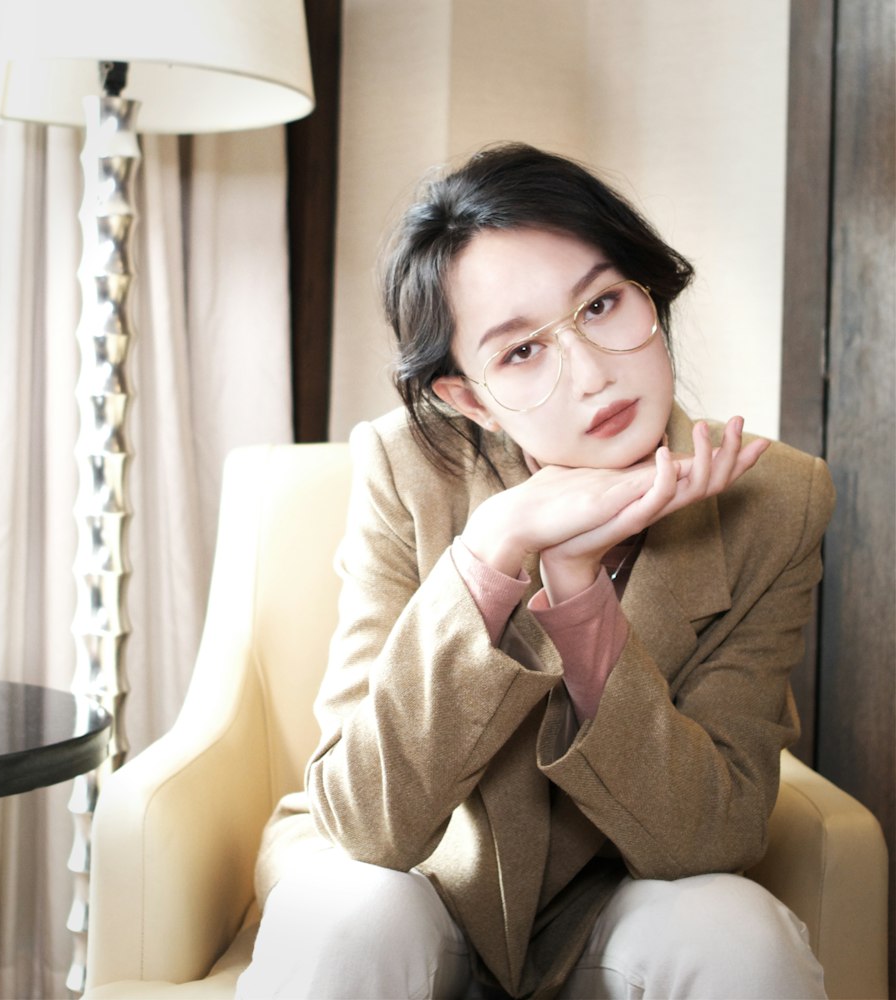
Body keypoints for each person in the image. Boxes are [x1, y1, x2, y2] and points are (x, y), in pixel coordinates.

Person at [237, 143, 832, 999]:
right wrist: (494, 547)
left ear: (649, 293)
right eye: (521, 353)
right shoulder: (408, 468)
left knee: (738, 935)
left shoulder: (778, 501)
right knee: (353, 916)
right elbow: (368, 819)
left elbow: (713, 836)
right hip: (420, 888)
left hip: (610, 906)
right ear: (468, 397)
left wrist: (581, 592)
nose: (592, 373)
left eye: (602, 303)